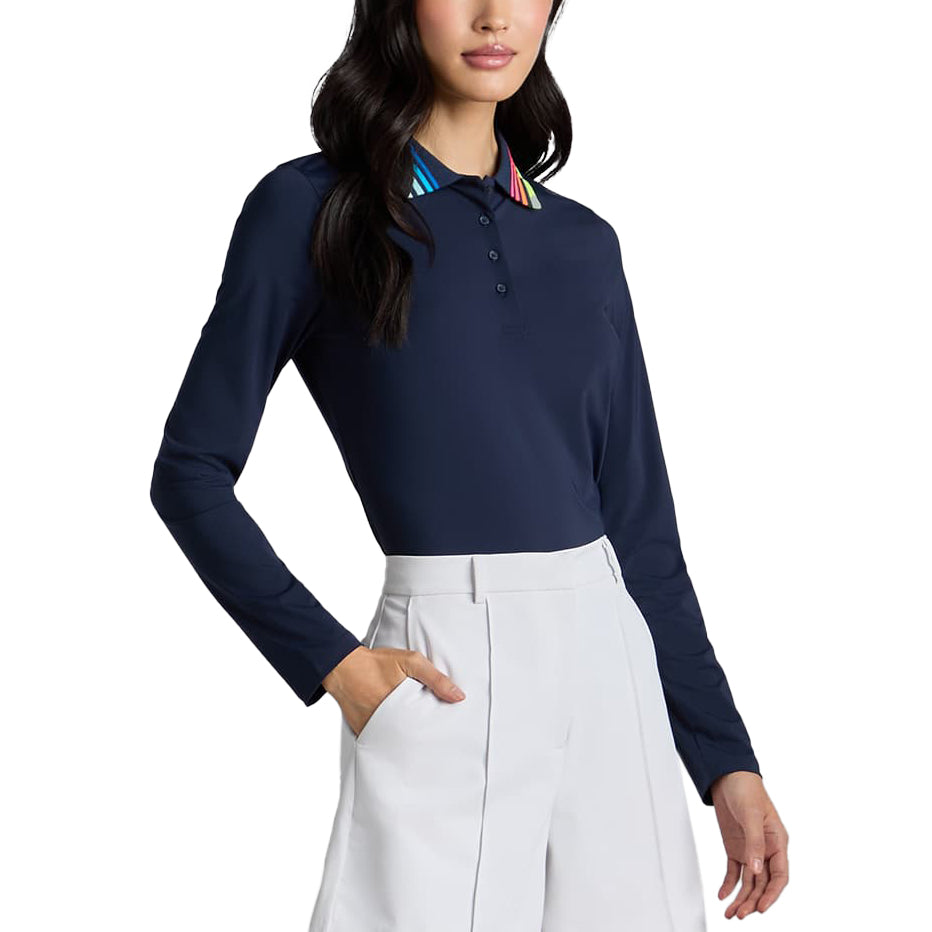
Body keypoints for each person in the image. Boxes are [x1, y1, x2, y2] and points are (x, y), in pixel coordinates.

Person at [149, 0, 789, 928]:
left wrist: (726, 760)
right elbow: (190, 472)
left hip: (611, 665)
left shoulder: (584, 243)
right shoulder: (313, 209)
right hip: (444, 665)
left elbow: (642, 531)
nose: (495, 17)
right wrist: (335, 663)